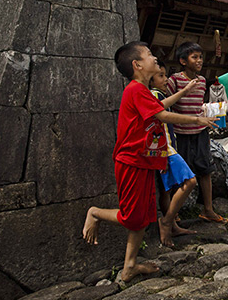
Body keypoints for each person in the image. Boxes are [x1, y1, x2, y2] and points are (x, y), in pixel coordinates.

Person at [82, 42, 216, 282]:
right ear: (137, 65)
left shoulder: (143, 90)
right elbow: (161, 115)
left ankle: (129, 266)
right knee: (132, 216)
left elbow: (160, 106)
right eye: (149, 55)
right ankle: (95, 213)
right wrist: (196, 118)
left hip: (146, 161)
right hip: (131, 162)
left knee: (143, 217)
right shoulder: (134, 89)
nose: (154, 58)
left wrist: (184, 96)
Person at [167, 42, 227, 224]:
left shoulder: (202, 81)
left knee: (205, 170)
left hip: (200, 132)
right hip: (181, 133)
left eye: (200, 57)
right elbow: (167, 104)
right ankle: (174, 212)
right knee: (180, 172)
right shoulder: (174, 80)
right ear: (183, 61)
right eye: (194, 57)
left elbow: (197, 105)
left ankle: (208, 209)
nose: (199, 60)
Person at [149, 60, 200, 247]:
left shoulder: (157, 94)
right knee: (190, 181)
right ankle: (167, 221)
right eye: (160, 76)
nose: (165, 79)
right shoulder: (154, 95)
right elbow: (159, 109)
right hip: (166, 150)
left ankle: (172, 223)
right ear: (151, 81)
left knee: (167, 190)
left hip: (163, 148)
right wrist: (184, 92)